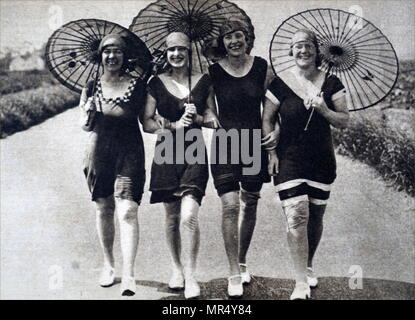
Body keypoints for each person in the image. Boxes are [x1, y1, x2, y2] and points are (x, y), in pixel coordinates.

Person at [262, 29, 349, 299]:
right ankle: (300, 283)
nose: (303, 50)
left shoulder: (331, 83)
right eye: (297, 46)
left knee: (315, 217)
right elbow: (267, 118)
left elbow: (344, 120)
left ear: (317, 50)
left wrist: (323, 109)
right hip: (288, 159)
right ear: (291, 51)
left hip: (321, 160)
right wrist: (272, 151)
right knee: (297, 215)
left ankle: (308, 264)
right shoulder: (280, 83)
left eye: (308, 45)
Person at [143, 32, 220, 299]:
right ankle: (176, 269)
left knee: (189, 215)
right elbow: (147, 121)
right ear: (165, 53)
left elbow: (212, 115)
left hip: (194, 150)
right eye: (171, 50)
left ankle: (191, 275)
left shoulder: (202, 81)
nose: (176, 55)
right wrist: (173, 126)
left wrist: (198, 116)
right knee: (172, 216)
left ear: (189, 53)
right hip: (166, 152)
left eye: (181, 50)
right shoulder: (156, 82)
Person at [207, 18, 274, 298]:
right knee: (231, 206)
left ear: (247, 38)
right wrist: (209, 116)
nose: (234, 41)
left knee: (250, 202)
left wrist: (276, 135)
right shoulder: (212, 72)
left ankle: (242, 259)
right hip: (224, 143)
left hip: (254, 143)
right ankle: (234, 271)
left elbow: (275, 105)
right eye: (227, 37)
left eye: (238, 35)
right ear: (221, 43)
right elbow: (208, 107)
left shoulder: (262, 68)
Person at [79, 34, 147, 296]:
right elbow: (84, 126)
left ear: (124, 56)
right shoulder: (91, 85)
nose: (112, 56)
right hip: (98, 153)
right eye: (107, 51)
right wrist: (89, 112)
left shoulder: (138, 85)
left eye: (117, 51)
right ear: (101, 55)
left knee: (128, 210)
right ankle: (108, 264)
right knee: (104, 208)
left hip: (129, 152)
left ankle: (129, 273)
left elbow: (149, 120)